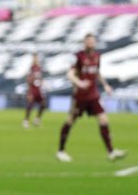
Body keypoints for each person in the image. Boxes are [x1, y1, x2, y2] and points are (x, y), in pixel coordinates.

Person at [56, 33, 127, 162]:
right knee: (70, 121)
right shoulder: (78, 57)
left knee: (104, 120)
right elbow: (70, 75)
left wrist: (105, 85)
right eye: (88, 41)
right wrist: (80, 83)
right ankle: (61, 151)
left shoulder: (97, 56)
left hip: (93, 95)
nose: (90, 43)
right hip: (80, 96)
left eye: (92, 41)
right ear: (84, 43)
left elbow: (97, 73)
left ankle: (111, 152)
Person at [22, 53, 46, 128]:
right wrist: (29, 90)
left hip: (38, 89)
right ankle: (26, 120)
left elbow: (40, 78)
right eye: (35, 58)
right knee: (30, 104)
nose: (36, 59)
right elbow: (28, 78)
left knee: (43, 104)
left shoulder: (39, 68)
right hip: (32, 89)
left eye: (37, 58)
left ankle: (37, 119)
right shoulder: (31, 68)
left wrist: (42, 83)